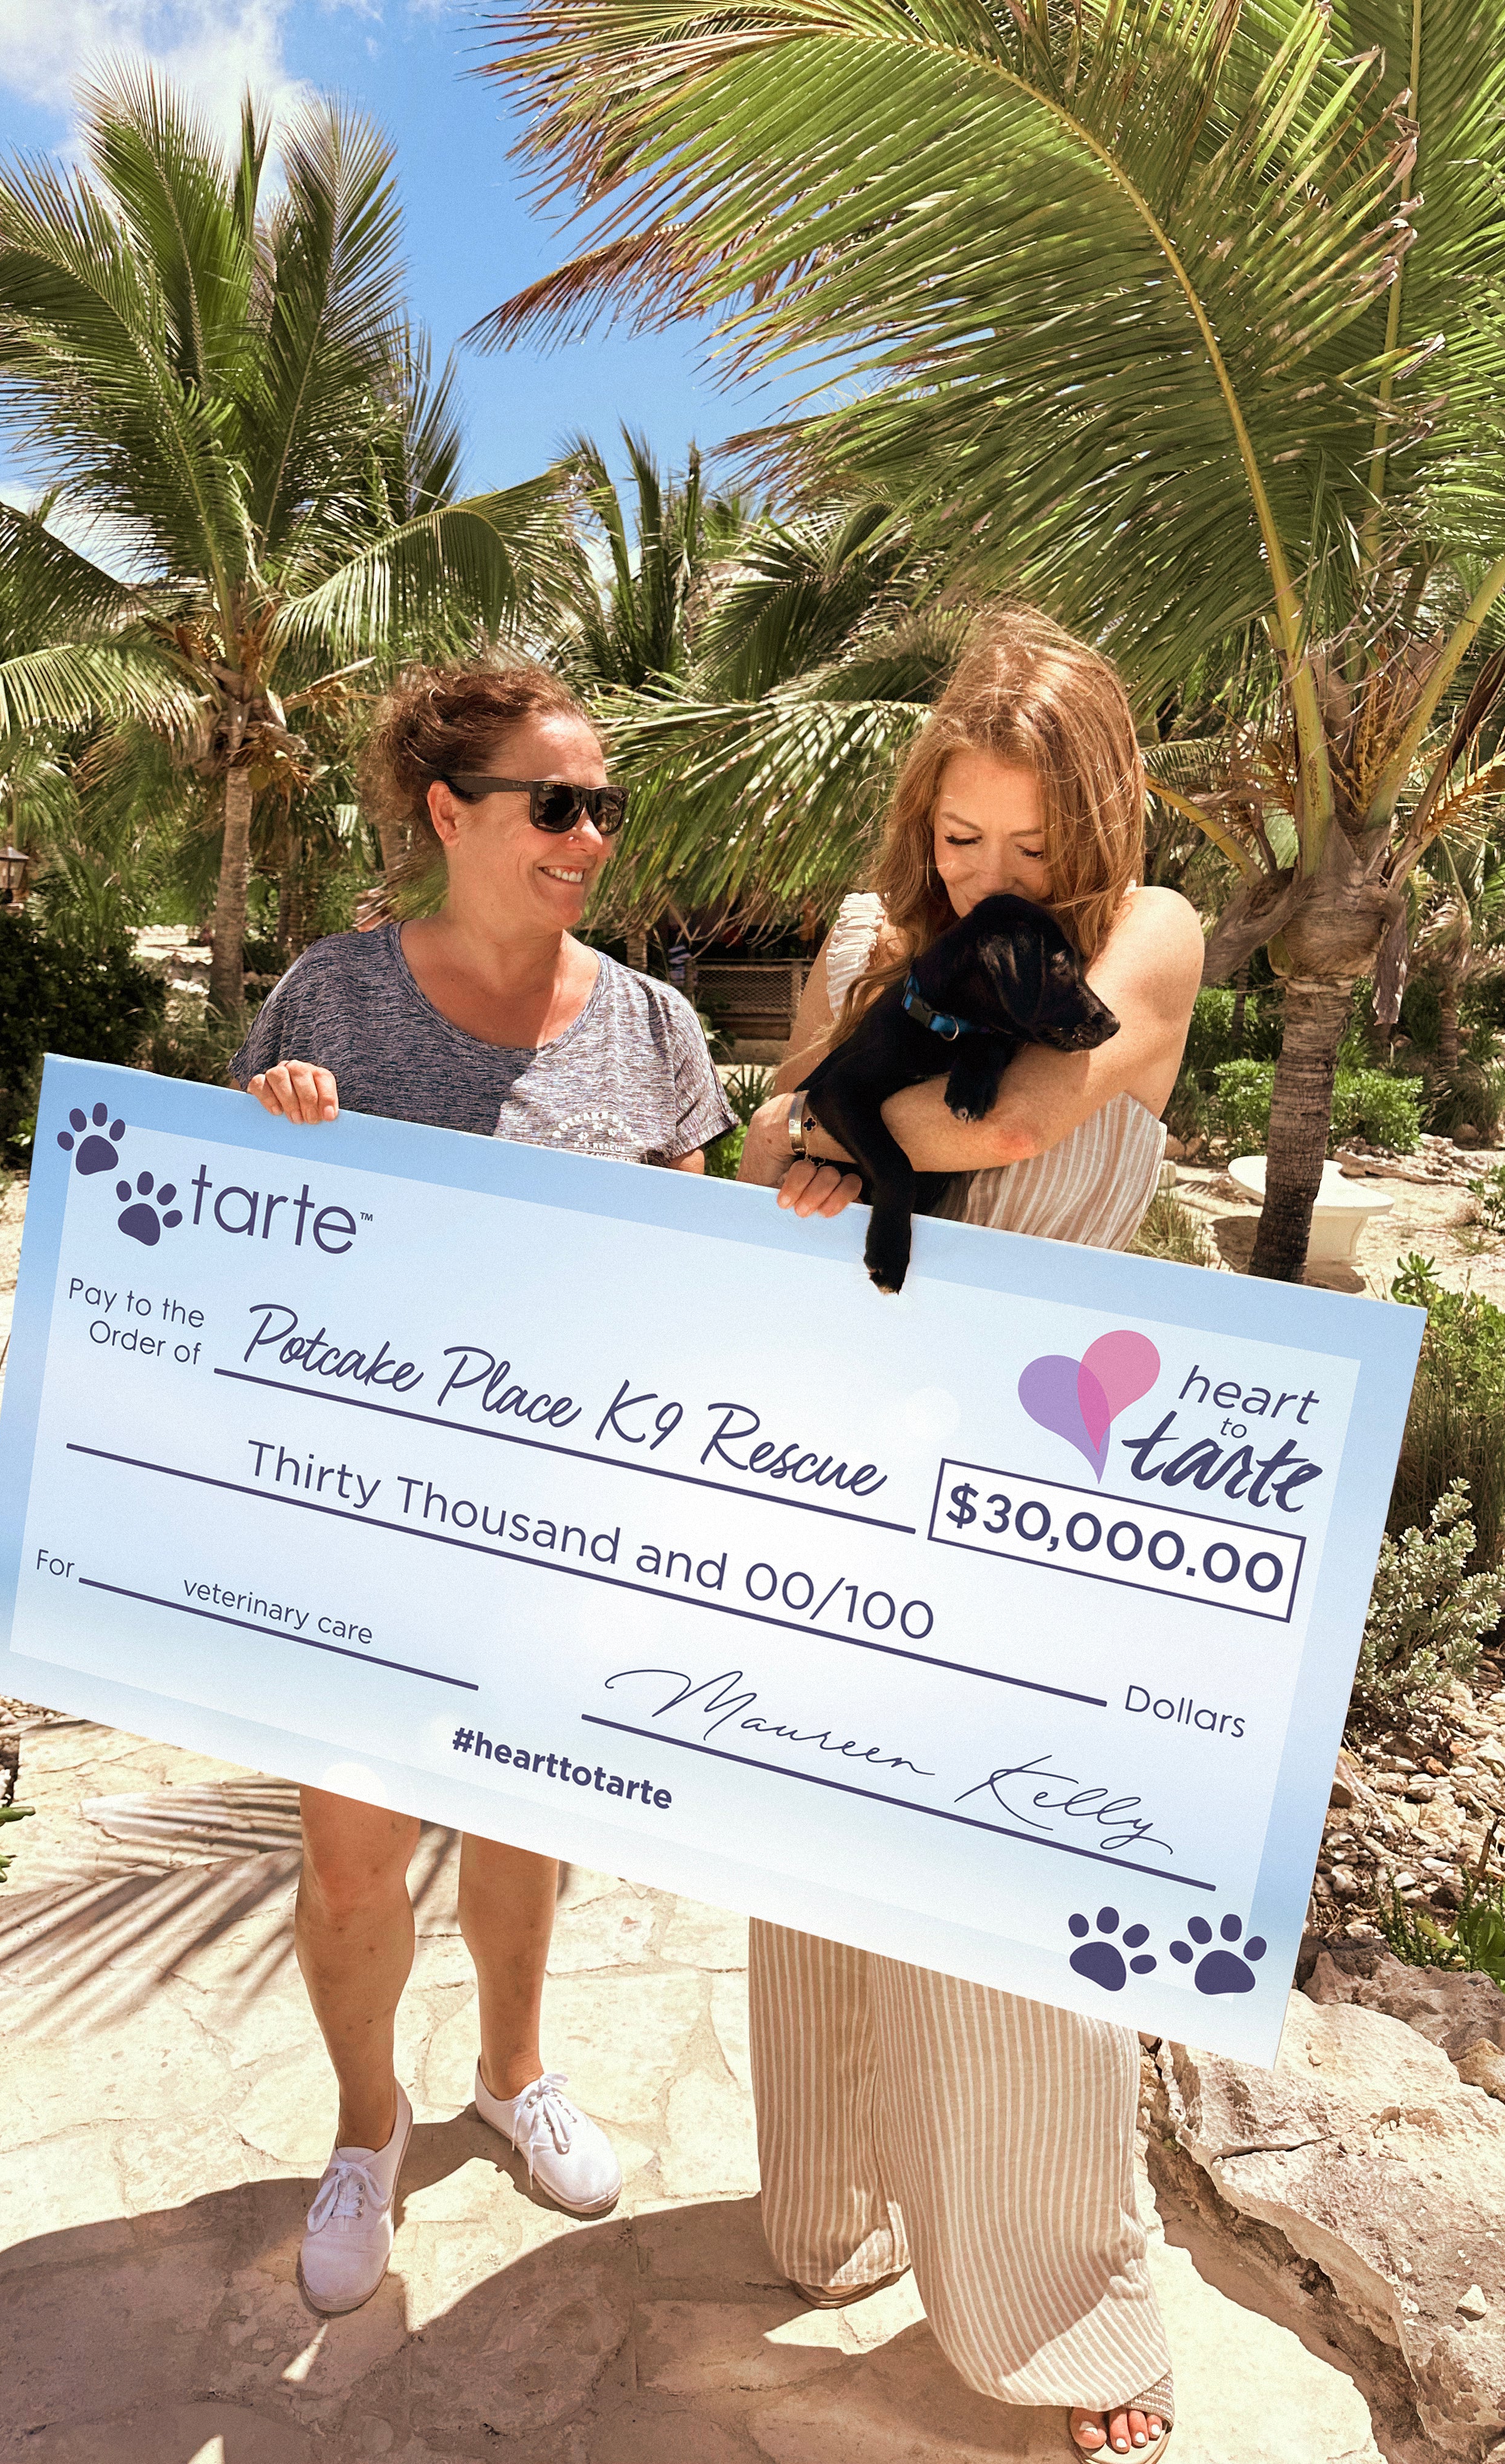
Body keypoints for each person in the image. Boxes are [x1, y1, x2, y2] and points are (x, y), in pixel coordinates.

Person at [736, 610, 1203, 2460]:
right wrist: (818, 1125)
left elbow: (1018, 1100)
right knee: (826, 1845)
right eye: (960, 841)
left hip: (1044, 1479)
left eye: (1029, 846)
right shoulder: (870, 940)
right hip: (851, 1436)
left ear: (1094, 826)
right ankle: (841, 2196)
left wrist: (846, 1126)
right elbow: (778, 1133)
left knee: (1019, 1906)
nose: (990, 876)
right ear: (921, 822)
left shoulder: (1145, 936)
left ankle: (1060, 2312)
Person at [230, 659, 734, 2316]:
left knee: (527, 1822)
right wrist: (276, 1137)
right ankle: (369, 2129)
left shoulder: (658, 1028)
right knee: (356, 1854)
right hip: (362, 1518)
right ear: (451, 812)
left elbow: (706, 1279)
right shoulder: (332, 1001)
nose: (590, 836)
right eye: (555, 804)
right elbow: (253, 1261)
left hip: (566, 1521)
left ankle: (512, 2077)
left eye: (603, 806)